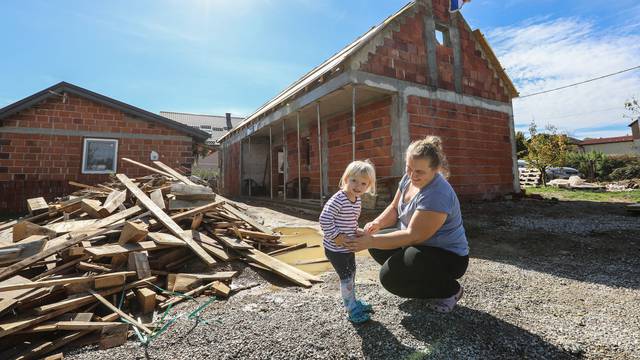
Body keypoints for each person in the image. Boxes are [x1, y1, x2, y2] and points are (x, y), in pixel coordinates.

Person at [344, 136, 469, 313]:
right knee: (377, 240)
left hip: (448, 256)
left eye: (419, 172)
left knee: (390, 278)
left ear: (436, 170)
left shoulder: (437, 193)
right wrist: (377, 223)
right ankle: (420, 278)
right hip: (419, 246)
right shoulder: (408, 178)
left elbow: (414, 235)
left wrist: (369, 241)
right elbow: (394, 207)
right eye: (409, 168)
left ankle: (450, 290)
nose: (412, 175)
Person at [319, 160, 377, 324]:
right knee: (346, 279)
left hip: (347, 248)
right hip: (336, 249)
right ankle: (351, 310)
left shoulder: (356, 199)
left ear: (368, 186)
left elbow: (349, 221)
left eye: (363, 183)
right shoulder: (339, 199)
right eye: (354, 180)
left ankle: (353, 302)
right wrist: (336, 236)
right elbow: (324, 219)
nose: (358, 186)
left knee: (351, 275)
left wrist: (357, 231)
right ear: (346, 179)